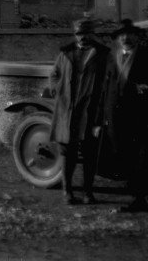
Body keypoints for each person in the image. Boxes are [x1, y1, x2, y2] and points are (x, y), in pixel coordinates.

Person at [106, 19, 148, 218]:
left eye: (130, 34)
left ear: (137, 37)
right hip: (119, 120)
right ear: (117, 39)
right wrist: (103, 119)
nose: (126, 38)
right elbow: (106, 90)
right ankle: (138, 200)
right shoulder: (111, 59)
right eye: (121, 35)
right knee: (127, 160)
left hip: (143, 119)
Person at [48, 16, 111, 205]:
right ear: (75, 35)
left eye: (85, 33)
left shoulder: (102, 54)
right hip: (69, 111)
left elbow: (109, 79)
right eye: (78, 33)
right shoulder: (66, 53)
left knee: (90, 153)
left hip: (91, 111)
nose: (82, 37)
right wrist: (57, 89)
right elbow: (54, 74)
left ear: (93, 33)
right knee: (68, 153)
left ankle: (88, 192)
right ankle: (67, 191)